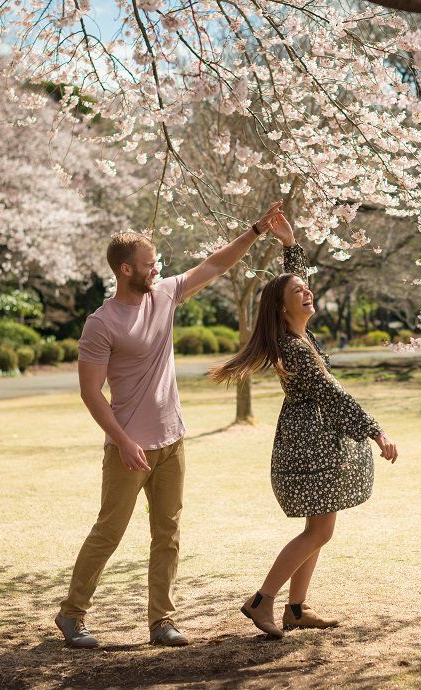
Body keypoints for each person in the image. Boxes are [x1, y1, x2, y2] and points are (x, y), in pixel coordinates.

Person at [54, 202, 288, 649]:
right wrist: (121, 441)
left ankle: (162, 621)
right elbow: (90, 393)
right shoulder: (100, 324)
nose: (156, 268)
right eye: (148, 264)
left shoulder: (164, 294)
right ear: (126, 270)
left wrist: (257, 230)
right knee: (109, 532)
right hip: (129, 448)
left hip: (172, 439)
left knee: (168, 534)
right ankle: (71, 614)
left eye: (156, 262)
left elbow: (216, 263)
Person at [209, 211, 398, 638]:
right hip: (308, 447)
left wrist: (290, 245)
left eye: (305, 287)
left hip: (310, 442)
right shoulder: (294, 349)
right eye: (300, 291)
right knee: (319, 531)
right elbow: (332, 394)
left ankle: (296, 609)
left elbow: (291, 286)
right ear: (284, 306)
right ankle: (263, 601)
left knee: (316, 530)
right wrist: (376, 430)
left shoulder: (296, 334)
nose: (307, 291)